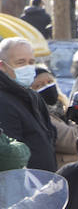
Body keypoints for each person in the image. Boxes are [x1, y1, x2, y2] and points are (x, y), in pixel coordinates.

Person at [0, 37, 57, 172]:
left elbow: (50, 134)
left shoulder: (33, 96)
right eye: (21, 62)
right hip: (22, 185)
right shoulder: (3, 101)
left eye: (31, 62)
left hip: (44, 183)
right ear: (2, 66)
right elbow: (10, 154)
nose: (28, 67)